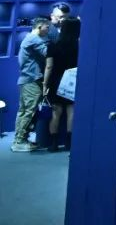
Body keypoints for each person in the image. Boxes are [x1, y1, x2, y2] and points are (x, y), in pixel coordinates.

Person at [11, 17, 50, 152]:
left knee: (24, 111)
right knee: (28, 111)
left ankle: (20, 139)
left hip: (27, 80)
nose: (48, 30)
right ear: (39, 27)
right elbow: (48, 52)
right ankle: (19, 141)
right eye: (47, 27)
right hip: (31, 80)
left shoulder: (29, 38)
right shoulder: (34, 39)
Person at [43, 16, 80, 151]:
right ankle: (69, 143)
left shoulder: (53, 45)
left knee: (56, 112)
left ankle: (53, 144)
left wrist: (45, 84)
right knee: (71, 110)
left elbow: (49, 66)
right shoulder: (80, 46)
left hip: (56, 80)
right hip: (73, 80)